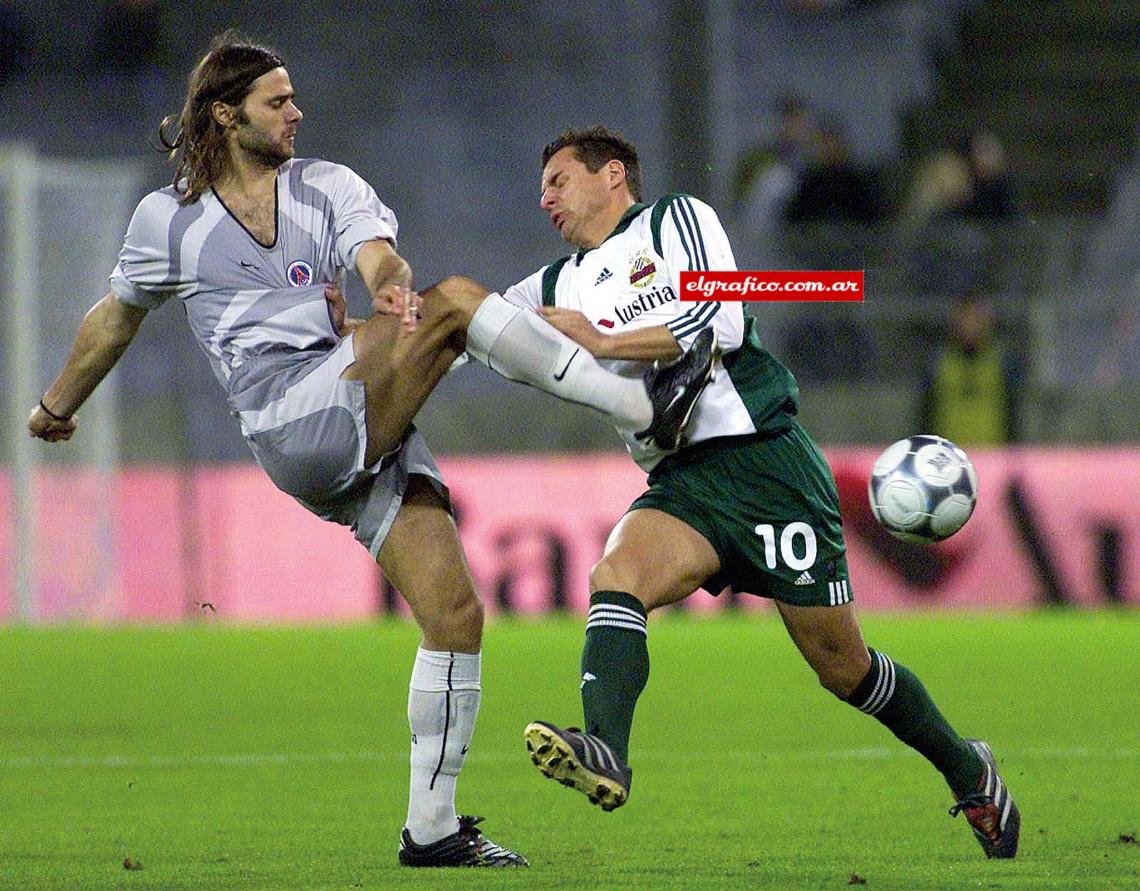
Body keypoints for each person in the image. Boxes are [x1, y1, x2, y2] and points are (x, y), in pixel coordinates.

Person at [27, 35, 716, 869]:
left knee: (456, 615)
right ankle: (644, 401)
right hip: (291, 422)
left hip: (355, 412)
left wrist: (388, 280)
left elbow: (375, 252)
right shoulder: (166, 222)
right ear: (224, 112)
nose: (295, 112)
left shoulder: (325, 186)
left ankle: (432, 829)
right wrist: (57, 403)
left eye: (293, 98)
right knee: (460, 304)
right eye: (277, 101)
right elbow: (116, 315)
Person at [518, 126, 1020, 860]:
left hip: (767, 464)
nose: (545, 198)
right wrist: (383, 325)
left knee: (842, 668)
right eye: (542, 187)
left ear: (613, 175)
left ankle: (967, 767)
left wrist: (600, 339)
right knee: (615, 576)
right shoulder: (557, 282)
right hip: (685, 479)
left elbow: (715, 320)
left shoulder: (676, 221)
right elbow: (479, 325)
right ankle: (604, 749)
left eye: (559, 179)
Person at [918, 291, 1024, 446]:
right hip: (949, 460)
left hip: (992, 458)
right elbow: (926, 416)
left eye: (975, 318)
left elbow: (1013, 415)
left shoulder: (1003, 362)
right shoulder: (939, 363)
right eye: (965, 318)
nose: (970, 325)